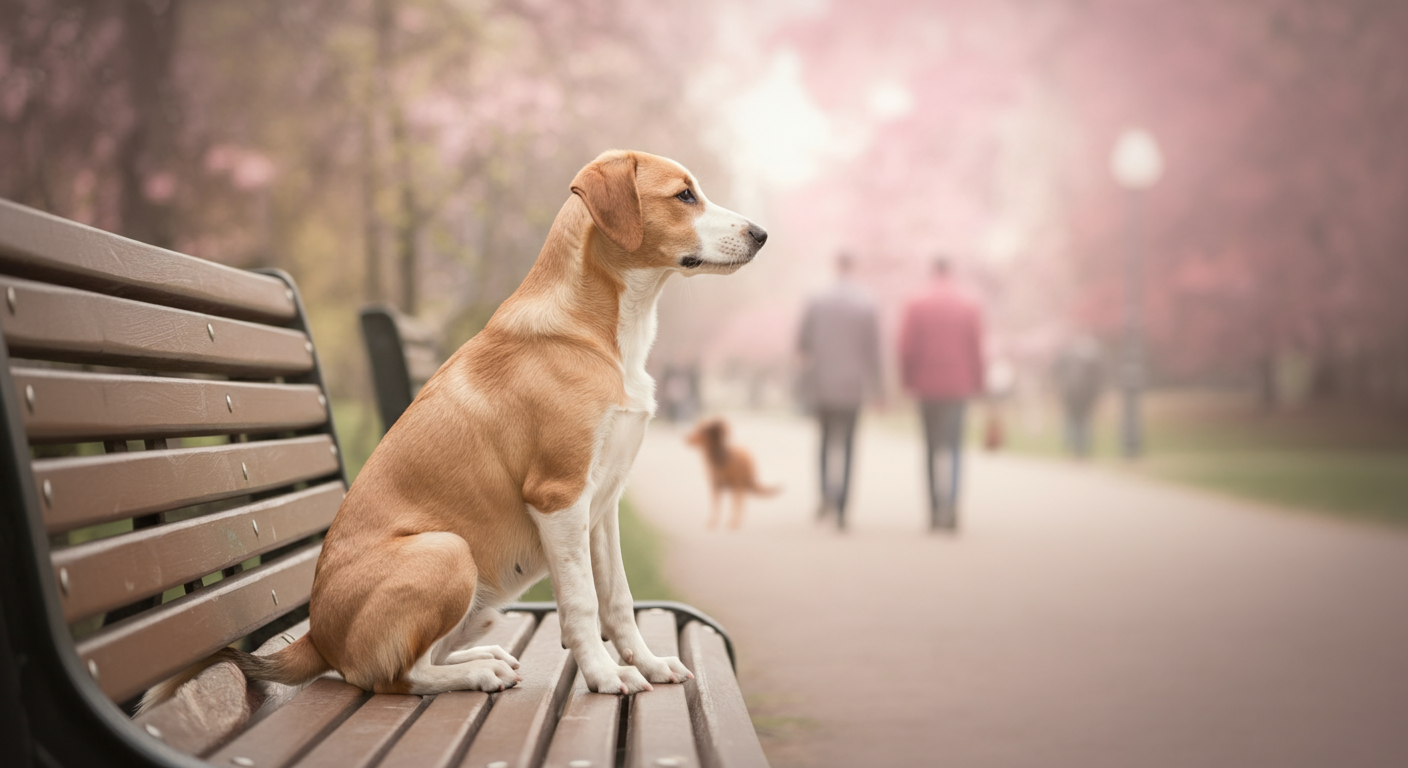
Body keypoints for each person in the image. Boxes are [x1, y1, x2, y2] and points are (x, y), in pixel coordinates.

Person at [797, 252, 882, 531]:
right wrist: (878, 388)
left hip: (822, 382)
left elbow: (802, 343)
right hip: (852, 386)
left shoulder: (817, 299)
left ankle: (825, 498)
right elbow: (874, 351)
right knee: (848, 445)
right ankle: (844, 507)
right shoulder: (866, 302)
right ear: (852, 266)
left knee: (823, 443)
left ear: (836, 266)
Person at [898, 256, 984, 531]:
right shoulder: (968, 303)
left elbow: (906, 348)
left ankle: (935, 509)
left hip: (926, 386)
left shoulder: (917, 303)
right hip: (958, 385)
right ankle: (952, 506)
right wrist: (978, 382)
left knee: (932, 448)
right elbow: (976, 348)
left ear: (933, 271)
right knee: (955, 448)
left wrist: (908, 381)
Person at [1055, 334, 1103, 458]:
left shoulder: (1067, 356)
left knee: (1072, 420)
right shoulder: (1092, 358)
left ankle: (1072, 449)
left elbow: (1058, 374)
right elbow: (1097, 380)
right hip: (1086, 395)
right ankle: (1083, 450)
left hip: (1070, 394)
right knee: (1084, 421)